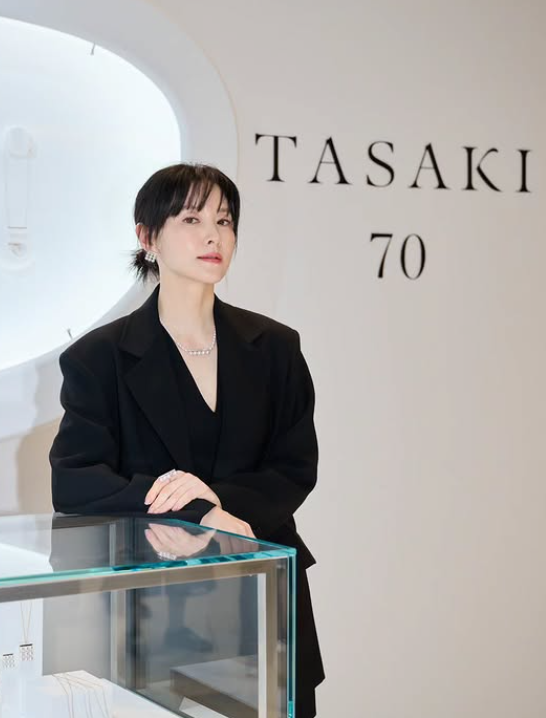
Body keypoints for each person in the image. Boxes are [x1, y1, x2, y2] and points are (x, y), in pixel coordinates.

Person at [49, 163, 325, 717]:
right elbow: (76, 481)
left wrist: (222, 505)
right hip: (148, 616)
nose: (213, 236)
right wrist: (196, 511)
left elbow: (294, 466)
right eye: (192, 219)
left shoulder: (275, 347)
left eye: (224, 221)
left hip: (261, 600)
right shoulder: (98, 358)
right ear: (147, 237)